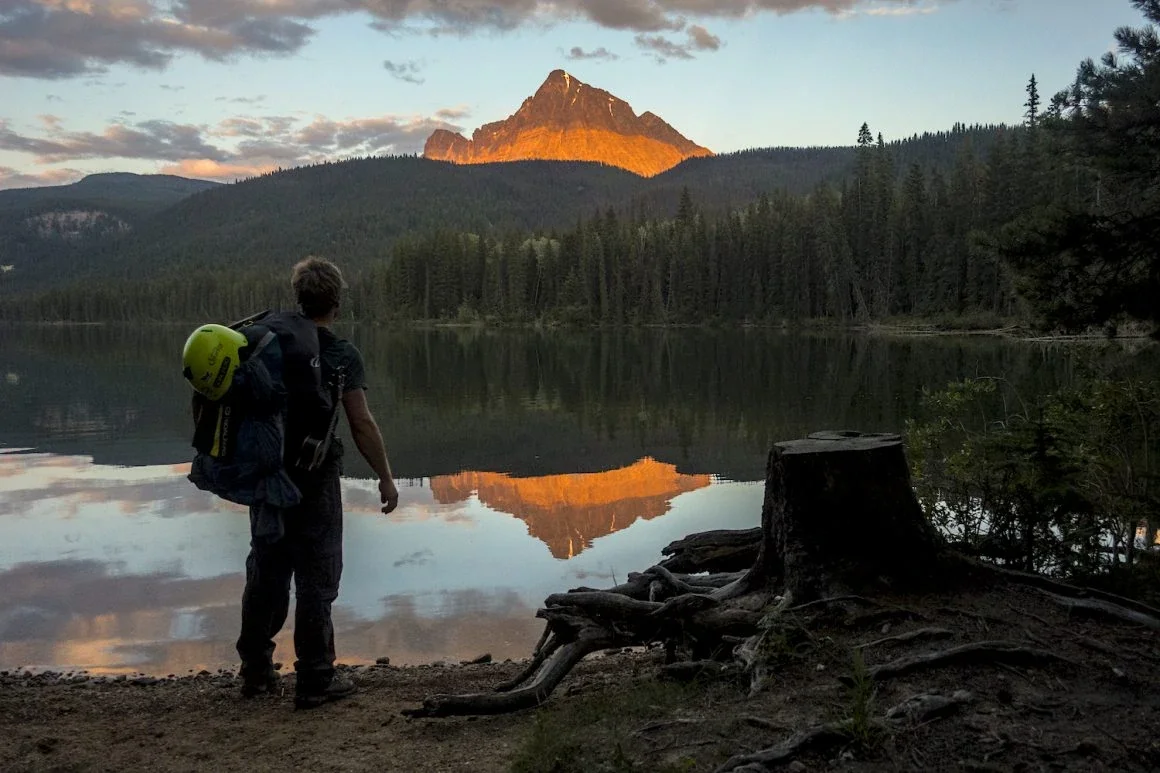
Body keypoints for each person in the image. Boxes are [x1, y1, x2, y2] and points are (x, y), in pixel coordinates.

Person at [235, 256, 399, 709]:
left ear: (298, 298)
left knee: (265, 569)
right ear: (337, 303)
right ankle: (315, 677)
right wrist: (385, 478)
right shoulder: (342, 355)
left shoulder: (267, 344)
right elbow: (361, 422)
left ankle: (256, 671)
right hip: (316, 476)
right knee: (316, 574)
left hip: (268, 475)